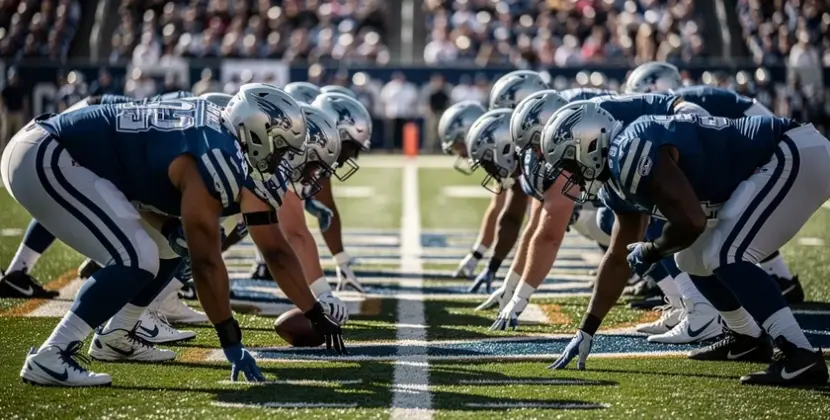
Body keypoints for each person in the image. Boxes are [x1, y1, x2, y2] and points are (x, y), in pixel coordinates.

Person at [2, 83, 345, 387]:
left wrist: (314, 312)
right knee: (137, 257)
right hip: (50, 153)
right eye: (281, 149)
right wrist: (230, 339)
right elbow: (206, 262)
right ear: (256, 131)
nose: (282, 161)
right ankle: (53, 353)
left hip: (78, 161)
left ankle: (117, 334)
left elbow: (276, 251)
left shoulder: (223, 139)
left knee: (168, 245)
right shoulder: (217, 155)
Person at [543, 101, 829, 386]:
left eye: (570, 163)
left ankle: (800, 354)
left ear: (589, 143)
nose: (572, 176)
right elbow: (619, 256)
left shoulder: (630, 149)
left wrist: (652, 250)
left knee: (725, 255)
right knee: (690, 259)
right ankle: (747, 338)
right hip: (774, 163)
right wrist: (587, 330)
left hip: (790, 152)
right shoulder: (616, 179)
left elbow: (692, 222)